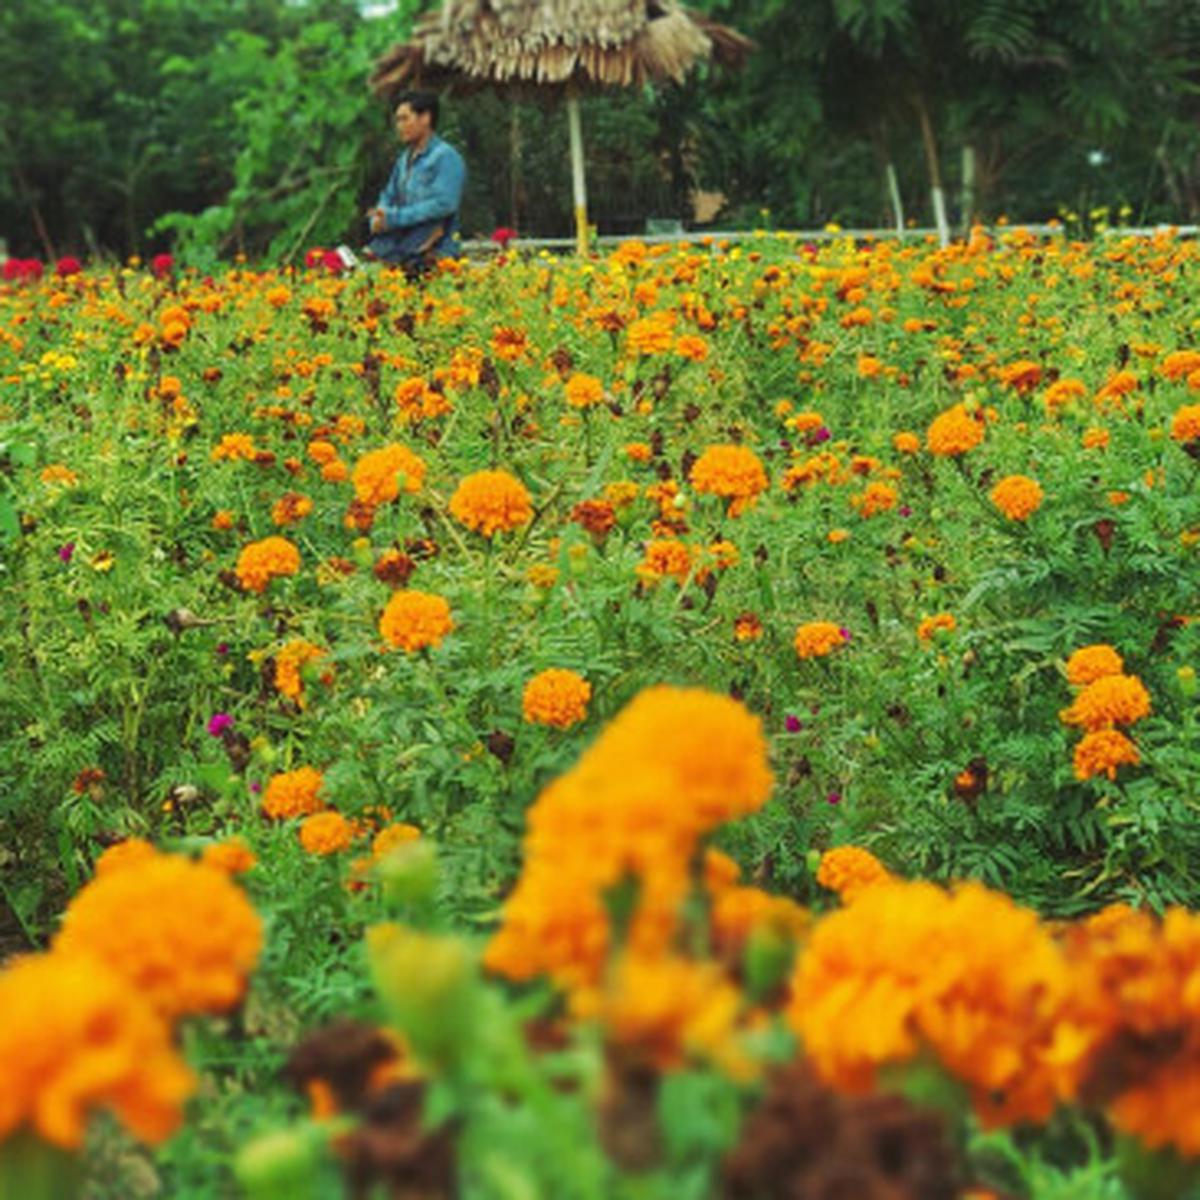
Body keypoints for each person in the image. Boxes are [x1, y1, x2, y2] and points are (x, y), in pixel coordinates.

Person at [364, 91, 465, 275]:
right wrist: (379, 216)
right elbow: (388, 195)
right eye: (397, 120)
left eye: (404, 119)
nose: (399, 126)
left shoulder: (446, 157)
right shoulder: (404, 160)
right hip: (403, 244)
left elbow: (444, 204)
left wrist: (394, 218)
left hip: (437, 254)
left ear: (425, 118)